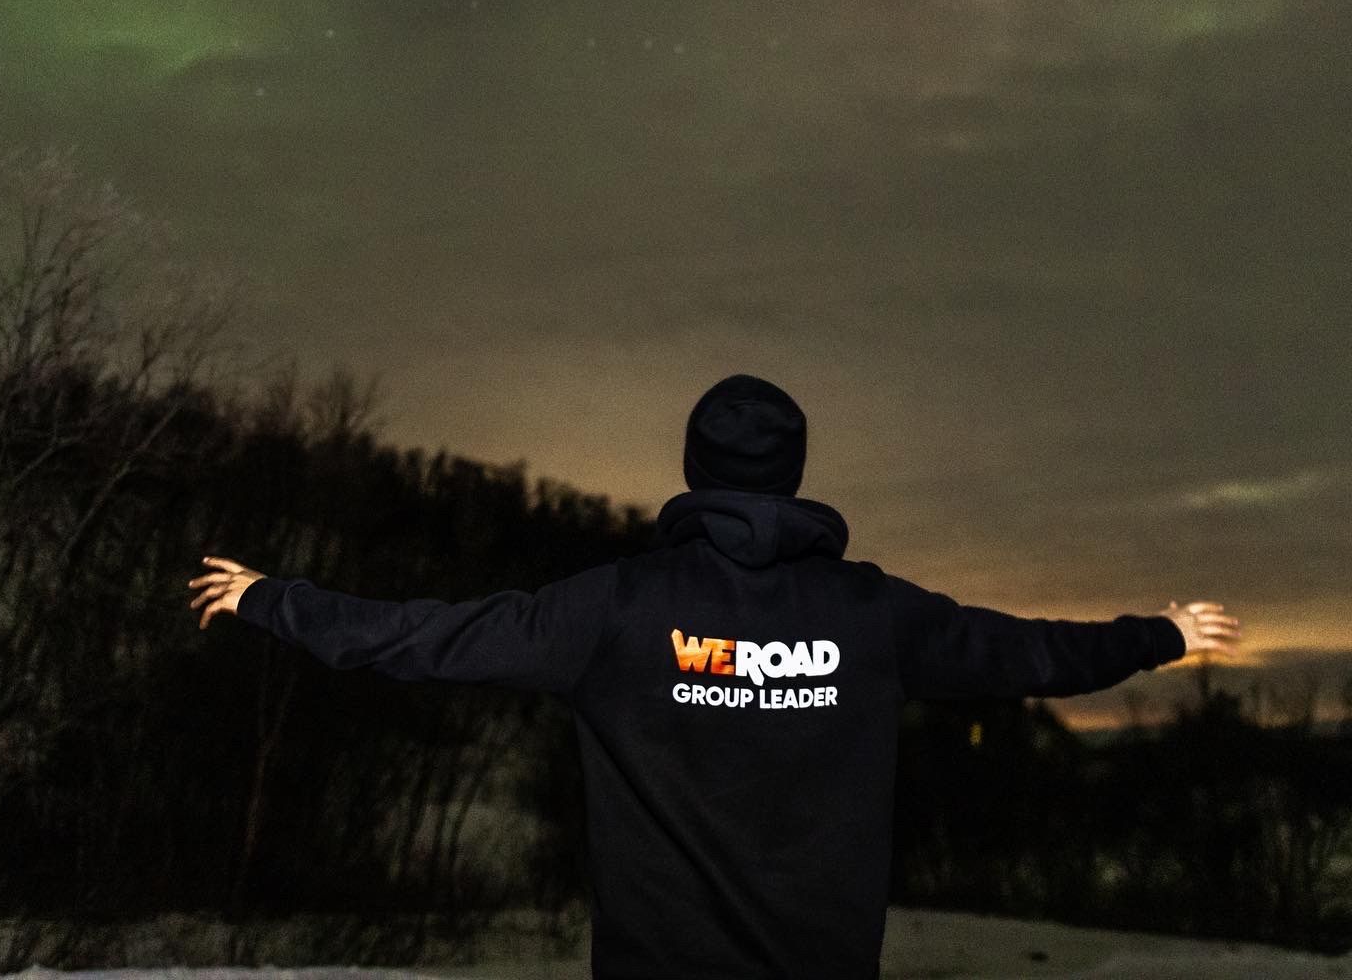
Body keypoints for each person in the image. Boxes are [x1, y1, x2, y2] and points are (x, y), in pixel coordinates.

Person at [188, 372, 1241, 979]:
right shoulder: (870, 614)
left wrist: (275, 598)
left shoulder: (618, 607)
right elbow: (1034, 652)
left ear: (695, 470)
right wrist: (1163, 633)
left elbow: (433, 637)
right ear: (791, 475)